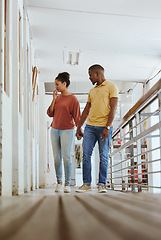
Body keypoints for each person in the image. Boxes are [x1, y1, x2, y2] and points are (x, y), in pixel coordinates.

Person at [76, 64, 118, 193]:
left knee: (103, 156)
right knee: (85, 155)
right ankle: (86, 183)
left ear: (98, 74)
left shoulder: (112, 87)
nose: (89, 77)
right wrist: (79, 127)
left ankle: (102, 184)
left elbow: (113, 108)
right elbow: (86, 110)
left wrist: (107, 126)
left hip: (104, 127)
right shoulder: (92, 91)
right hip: (90, 127)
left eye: (90, 75)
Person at [47, 72, 81, 193]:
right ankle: (59, 182)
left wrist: (79, 130)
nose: (55, 86)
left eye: (57, 84)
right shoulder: (57, 98)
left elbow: (77, 117)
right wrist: (53, 99)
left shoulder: (73, 99)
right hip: (54, 129)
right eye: (55, 84)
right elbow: (50, 113)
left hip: (67, 130)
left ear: (64, 84)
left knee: (66, 157)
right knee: (56, 158)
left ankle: (67, 184)